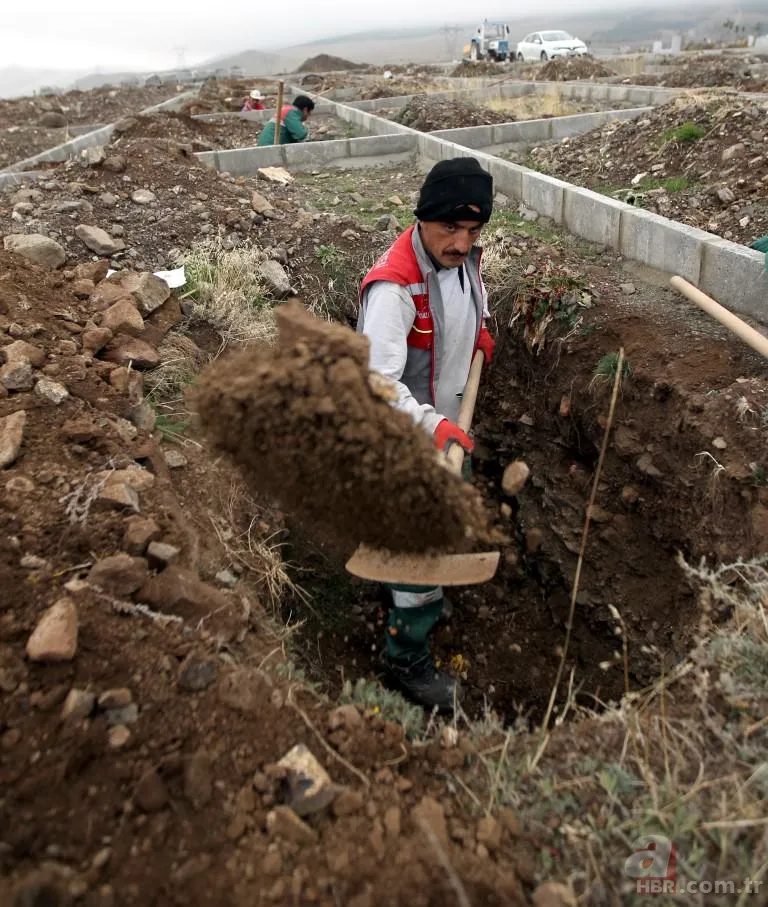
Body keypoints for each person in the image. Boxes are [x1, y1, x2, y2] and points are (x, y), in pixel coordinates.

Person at [357, 157, 496, 712]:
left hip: (445, 425)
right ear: (422, 220)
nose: (462, 243)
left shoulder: (463, 259)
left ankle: (413, 594)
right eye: (450, 229)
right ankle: (406, 662)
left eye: (473, 230)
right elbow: (377, 384)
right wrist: (433, 424)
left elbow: (471, 302)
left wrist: (480, 332)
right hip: (405, 438)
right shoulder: (394, 290)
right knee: (416, 554)